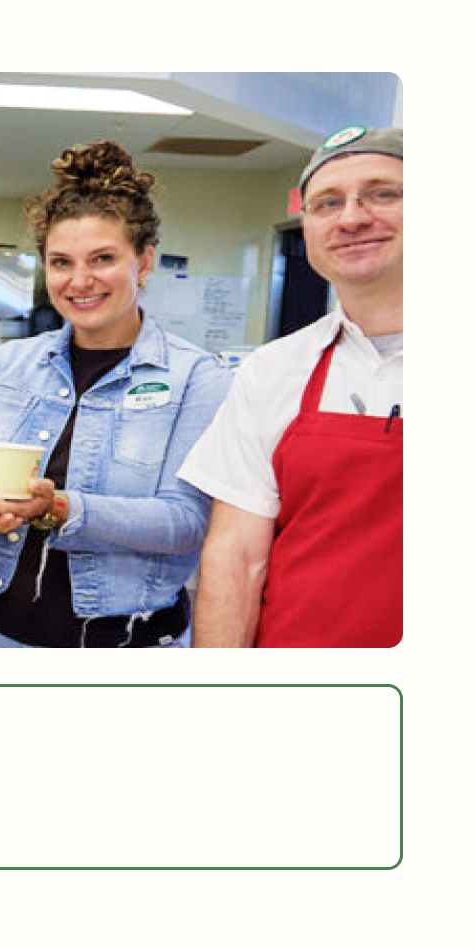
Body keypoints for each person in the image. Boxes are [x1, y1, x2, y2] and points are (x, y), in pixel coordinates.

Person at [0, 141, 232, 648]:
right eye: (61, 262)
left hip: (122, 642)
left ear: (144, 261)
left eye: (103, 259)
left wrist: (60, 508)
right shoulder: (6, 365)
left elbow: (184, 521)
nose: (79, 281)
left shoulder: (197, 378)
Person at [181, 127, 403, 648]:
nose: (352, 218)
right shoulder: (272, 370)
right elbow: (237, 557)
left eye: (383, 193)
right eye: (327, 203)